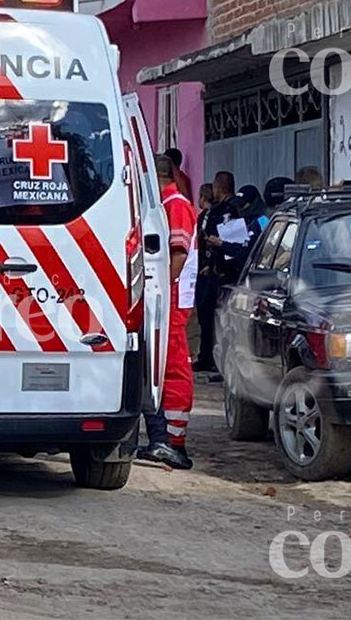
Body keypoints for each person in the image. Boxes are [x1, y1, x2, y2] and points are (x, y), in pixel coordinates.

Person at [138, 155, 199, 470]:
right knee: (164, 366)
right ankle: (164, 439)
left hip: (172, 300)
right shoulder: (170, 204)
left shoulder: (175, 205)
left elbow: (178, 252)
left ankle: (174, 444)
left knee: (173, 367)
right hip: (170, 298)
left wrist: (159, 285)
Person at [192, 172, 236, 375]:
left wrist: (210, 263)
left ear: (219, 188)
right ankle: (209, 357)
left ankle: (208, 357)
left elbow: (215, 243)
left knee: (209, 315)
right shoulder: (232, 209)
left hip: (217, 272)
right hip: (223, 270)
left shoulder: (219, 213)